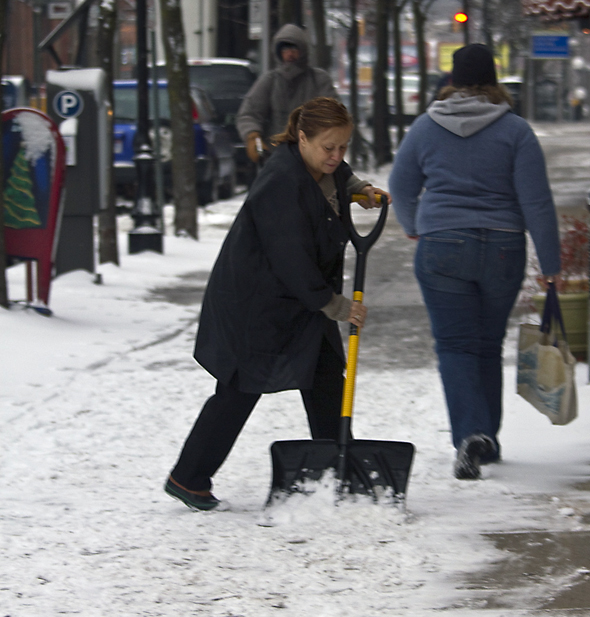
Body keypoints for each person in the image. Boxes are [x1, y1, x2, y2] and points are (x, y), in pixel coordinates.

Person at [165, 97, 390, 510]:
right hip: (259, 304)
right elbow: (291, 260)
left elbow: (335, 176)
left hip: (299, 303)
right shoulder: (281, 183)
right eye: (328, 147)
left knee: (325, 379)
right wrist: (336, 306)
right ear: (302, 138)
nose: (337, 155)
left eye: (343, 146)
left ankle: (337, 471)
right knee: (240, 387)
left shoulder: (319, 164)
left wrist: (357, 188)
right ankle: (188, 477)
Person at [388, 44, 561, 480]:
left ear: (452, 80)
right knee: (486, 343)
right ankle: (488, 437)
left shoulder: (426, 127)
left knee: (455, 344)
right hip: (503, 248)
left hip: (442, 244)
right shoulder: (516, 131)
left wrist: (413, 224)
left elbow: (401, 184)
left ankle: (471, 434)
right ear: (494, 80)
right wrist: (551, 262)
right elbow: (537, 202)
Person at [236, 23, 338, 166]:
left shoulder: (318, 80)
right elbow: (249, 112)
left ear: (302, 50)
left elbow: (333, 114)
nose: (289, 54)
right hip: (276, 159)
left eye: (293, 49)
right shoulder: (269, 81)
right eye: (285, 49)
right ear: (278, 52)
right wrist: (252, 136)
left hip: (313, 160)